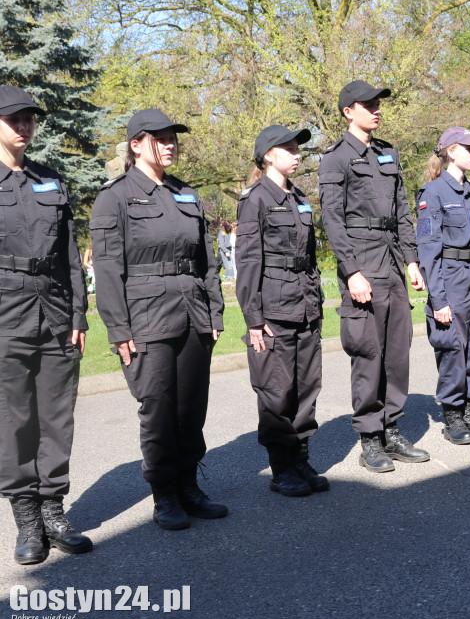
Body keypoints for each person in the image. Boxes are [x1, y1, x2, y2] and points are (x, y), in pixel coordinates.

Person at [91, 109, 227, 530]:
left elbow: (208, 261)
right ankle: (164, 494)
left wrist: (215, 311)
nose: (169, 144)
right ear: (136, 145)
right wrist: (118, 328)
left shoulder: (187, 194)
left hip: (193, 314)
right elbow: (109, 268)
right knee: (158, 410)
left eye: (173, 138)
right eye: (160, 138)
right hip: (146, 316)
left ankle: (188, 484)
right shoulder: (114, 197)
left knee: (191, 409)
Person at [0, 86, 92, 564]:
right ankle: (28, 523)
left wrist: (78, 313)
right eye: (13, 119)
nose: (23, 126)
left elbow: (71, 257)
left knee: (57, 416)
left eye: (29, 118)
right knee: (15, 421)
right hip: (5, 317)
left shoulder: (50, 181)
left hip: (56, 313)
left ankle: (54, 511)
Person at [317, 80, 429, 473]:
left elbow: (402, 211)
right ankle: (370, 438)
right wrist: (352, 272)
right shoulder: (335, 159)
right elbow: (332, 220)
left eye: (378, 104)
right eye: (367, 105)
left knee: (398, 352)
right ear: (348, 111)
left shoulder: (387, 153)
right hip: (362, 262)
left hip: (392, 263)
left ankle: (392, 429)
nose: (376, 110)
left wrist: (412, 260)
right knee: (369, 353)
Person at [236, 125, 328, 496]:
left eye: (297, 148)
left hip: (305, 305)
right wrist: (254, 320)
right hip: (273, 310)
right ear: (267, 155)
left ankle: (300, 458)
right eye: (288, 148)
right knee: (277, 391)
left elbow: (308, 258)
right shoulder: (255, 199)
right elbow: (248, 262)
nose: (296, 153)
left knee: (307, 387)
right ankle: (282, 468)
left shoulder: (300, 197)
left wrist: (316, 301)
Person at [416, 127, 470, 442]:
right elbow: (427, 249)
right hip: (450, 278)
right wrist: (438, 300)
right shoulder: (432, 194)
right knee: (453, 348)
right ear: (452, 151)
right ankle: (453, 416)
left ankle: (469, 411)